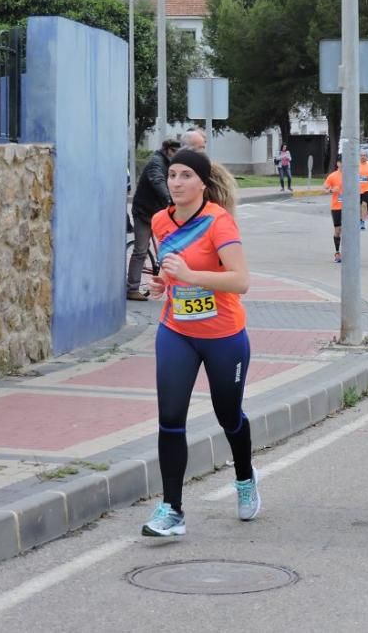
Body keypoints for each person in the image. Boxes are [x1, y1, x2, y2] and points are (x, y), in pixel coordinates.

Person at [141, 149, 257, 537]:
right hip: (176, 331)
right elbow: (173, 274)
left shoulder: (219, 224)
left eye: (185, 175)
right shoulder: (161, 221)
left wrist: (191, 274)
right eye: (172, 175)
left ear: (202, 184)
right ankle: (171, 509)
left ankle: (244, 478)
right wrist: (164, 282)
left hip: (223, 336)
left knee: (229, 417)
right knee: (170, 419)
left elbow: (240, 281)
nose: (175, 182)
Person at [128, 139, 179, 301]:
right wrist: (171, 200)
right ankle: (132, 288)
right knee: (141, 250)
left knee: (174, 246)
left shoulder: (170, 163)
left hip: (157, 212)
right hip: (144, 213)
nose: (176, 156)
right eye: (174, 152)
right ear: (167, 150)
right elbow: (158, 181)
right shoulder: (156, 163)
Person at [324, 157, 345, 263]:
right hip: (336, 207)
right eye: (341, 162)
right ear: (338, 163)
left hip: (348, 208)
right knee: (338, 230)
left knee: (347, 230)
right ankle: (337, 252)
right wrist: (332, 190)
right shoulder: (332, 176)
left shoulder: (350, 175)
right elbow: (325, 189)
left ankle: (347, 252)